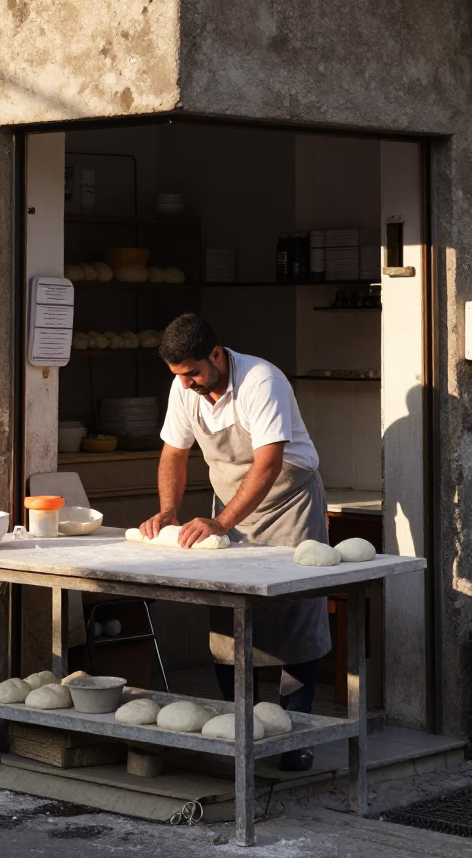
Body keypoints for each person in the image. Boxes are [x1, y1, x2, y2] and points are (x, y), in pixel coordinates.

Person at [141, 313, 331, 771]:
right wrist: (168, 510)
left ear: (216, 355)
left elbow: (267, 465)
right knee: (229, 614)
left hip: (288, 505)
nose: (187, 384)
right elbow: (173, 452)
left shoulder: (261, 380)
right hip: (229, 510)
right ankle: (237, 728)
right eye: (178, 376)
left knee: (295, 618)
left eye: (193, 373)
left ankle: (294, 735)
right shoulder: (184, 389)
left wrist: (221, 523)